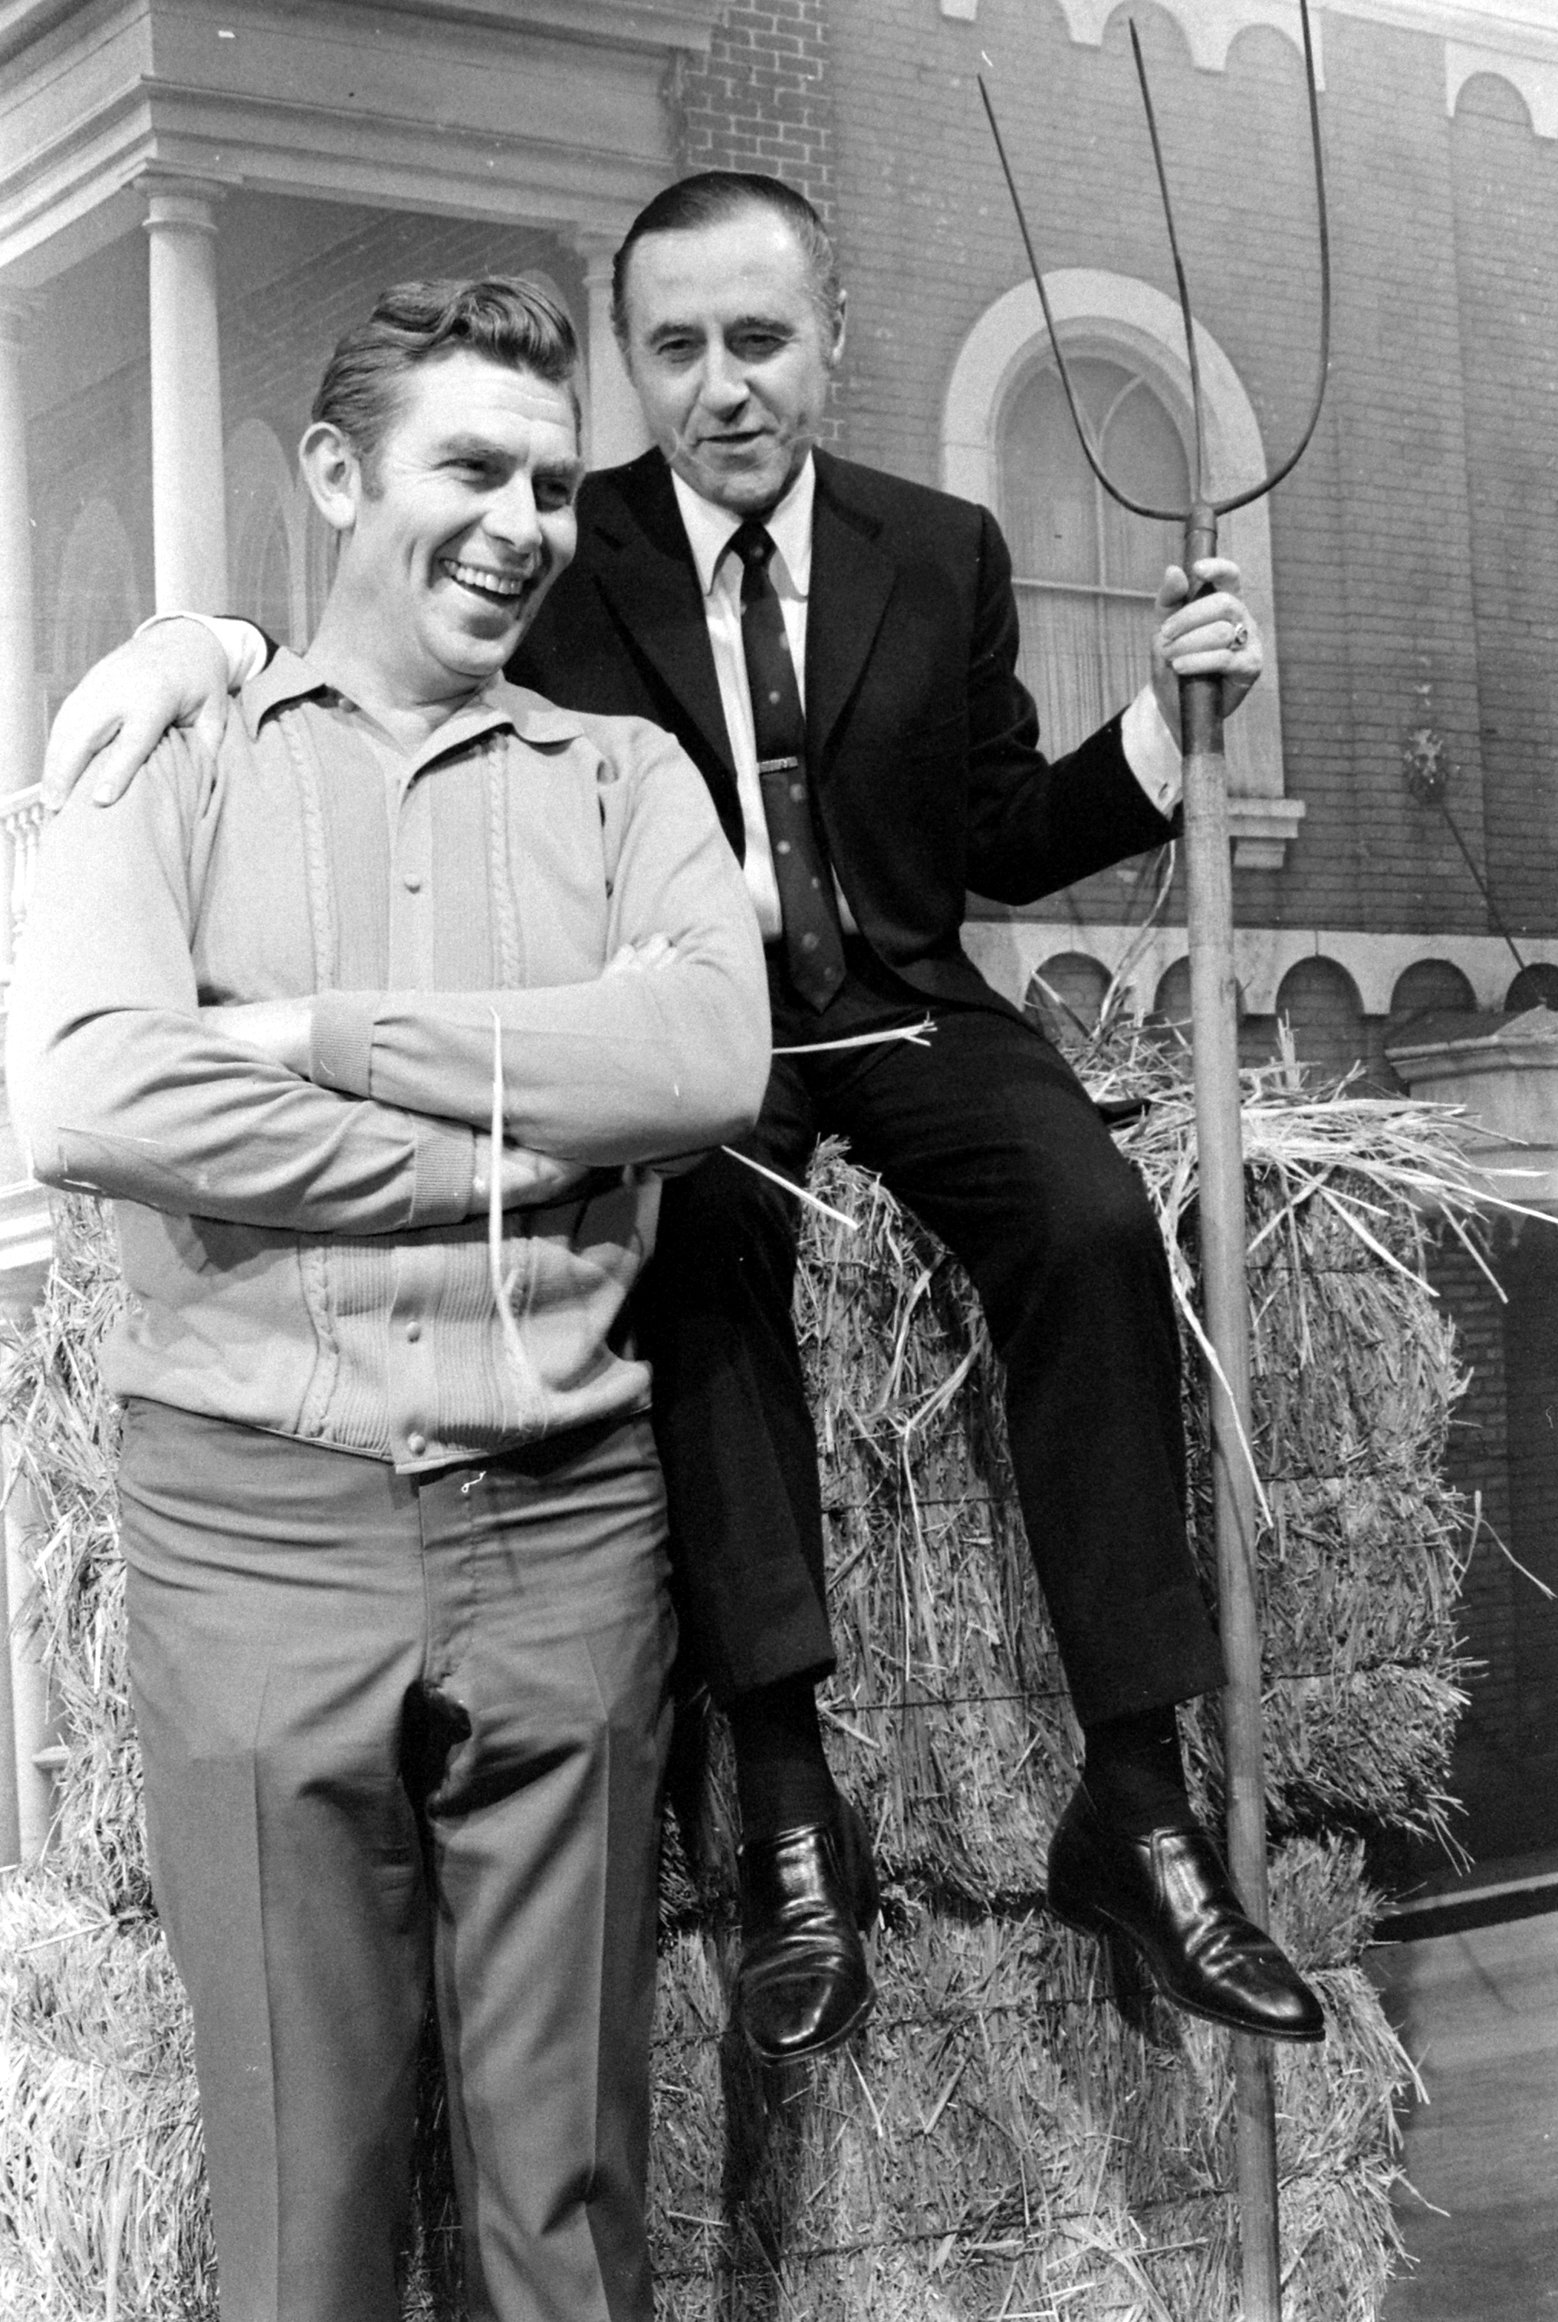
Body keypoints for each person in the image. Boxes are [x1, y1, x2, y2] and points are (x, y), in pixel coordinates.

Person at [40, 172, 1324, 2067]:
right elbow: (398, 583)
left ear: (830, 340)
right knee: (702, 1237)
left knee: (1089, 1219)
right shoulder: (567, 538)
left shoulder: (941, 543)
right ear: (631, 364)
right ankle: (795, 1809)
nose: (722, 387)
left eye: (759, 340)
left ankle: (1133, 1792)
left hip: (898, 1009)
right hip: (682, 1036)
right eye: (675, 350)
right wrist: (200, 647)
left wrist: (1153, 726)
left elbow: (989, 835)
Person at [9, 274, 770, 2322]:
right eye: (469, 468)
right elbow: (90, 1091)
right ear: (338, 474)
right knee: (305, 2206)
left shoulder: (626, 780)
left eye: (548, 480)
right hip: (251, 1533)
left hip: (565, 1538)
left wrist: (310, 1032)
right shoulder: (172, 744)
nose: (523, 520)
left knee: (567, 2205)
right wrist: (498, 1158)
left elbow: (705, 1059)